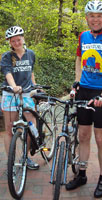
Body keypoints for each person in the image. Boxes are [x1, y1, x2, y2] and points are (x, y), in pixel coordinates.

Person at [65, 0, 102, 198]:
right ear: (87, 18)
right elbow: (79, 59)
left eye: (99, 16)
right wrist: (77, 82)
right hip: (84, 91)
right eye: (91, 16)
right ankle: (82, 174)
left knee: (100, 138)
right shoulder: (83, 36)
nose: (95, 19)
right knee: (83, 136)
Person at [0, 26, 39, 170]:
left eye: (18, 39)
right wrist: (14, 86)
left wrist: (35, 86)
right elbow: (7, 73)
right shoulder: (7, 56)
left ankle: (25, 157)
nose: (16, 42)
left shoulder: (31, 54)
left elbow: (30, 72)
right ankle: (11, 161)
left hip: (27, 94)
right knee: (9, 128)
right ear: (10, 42)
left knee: (30, 125)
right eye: (13, 41)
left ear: (23, 38)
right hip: (10, 94)